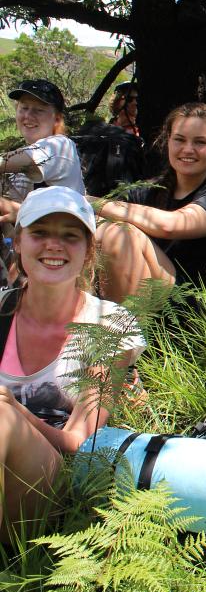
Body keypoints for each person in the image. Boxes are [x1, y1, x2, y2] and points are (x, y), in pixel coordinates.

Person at [0, 186, 144, 536]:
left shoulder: (109, 325)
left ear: (88, 252)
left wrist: (18, 413)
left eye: (69, 236)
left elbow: (81, 443)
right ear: (18, 243)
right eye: (40, 233)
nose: (54, 245)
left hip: (50, 483)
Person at [91, 103, 206, 302]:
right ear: (168, 141)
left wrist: (93, 202)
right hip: (145, 297)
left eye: (200, 142)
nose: (188, 149)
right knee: (98, 230)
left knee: (118, 234)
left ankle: (120, 330)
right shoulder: (149, 190)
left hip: (194, 307)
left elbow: (170, 225)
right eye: (179, 140)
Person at [0, 80, 86, 221]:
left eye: (39, 110)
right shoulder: (22, 151)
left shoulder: (60, 146)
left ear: (57, 119)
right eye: (24, 108)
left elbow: (3, 161)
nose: (28, 116)